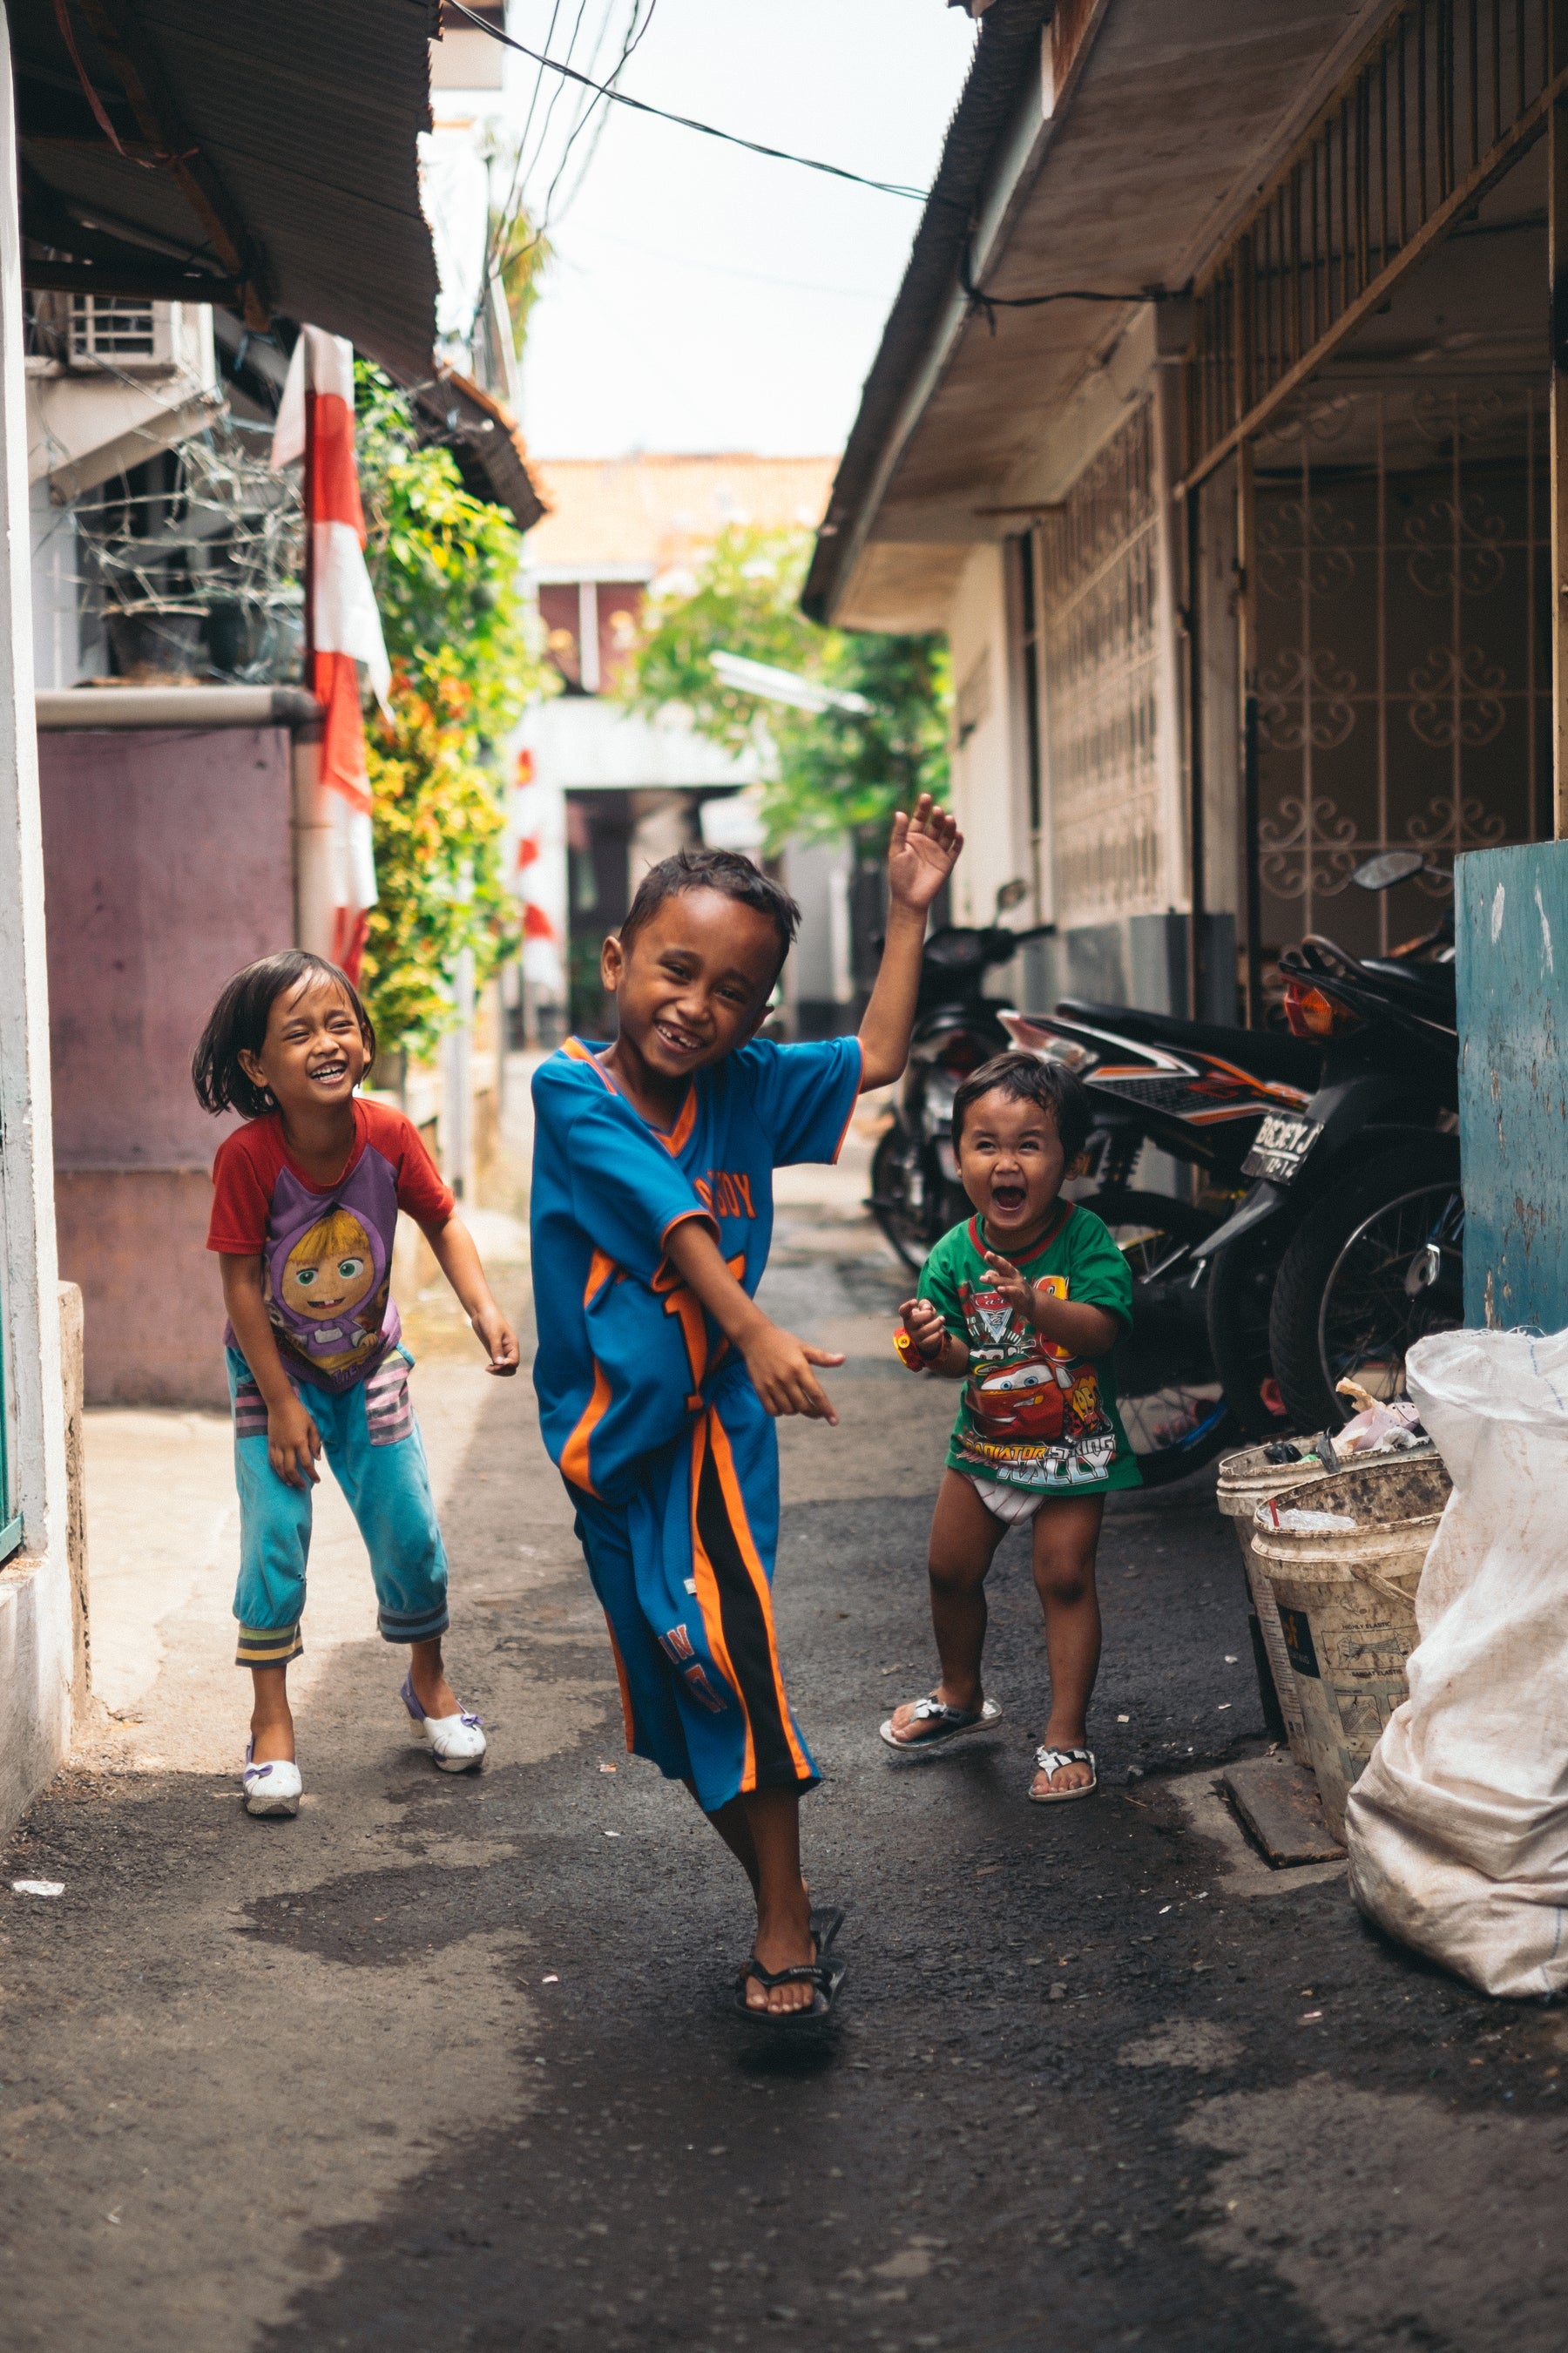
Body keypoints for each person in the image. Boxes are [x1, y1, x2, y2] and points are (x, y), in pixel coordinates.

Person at [531, 801, 962, 2020]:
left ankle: (782, 1931)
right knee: (677, 1700)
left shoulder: (752, 1084)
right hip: (603, 1452)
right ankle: (789, 1896)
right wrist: (751, 1320)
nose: (697, 1006)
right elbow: (664, 1207)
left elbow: (874, 1054)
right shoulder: (569, 1091)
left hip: (713, 1439)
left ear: (760, 1012)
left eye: (734, 990)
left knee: (725, 1663)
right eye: (677, 969)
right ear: (617, 961)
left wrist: (908, 913)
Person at [193, 950, 520, 1817]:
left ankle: (430, 1685)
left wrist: (484, 1308)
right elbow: (237, 1285)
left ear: (365, 1041)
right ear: (260, 1068)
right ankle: (270, 1725)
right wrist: (286, 1402)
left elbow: (442, 1219)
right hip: (273, 1369)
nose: (326, 1042)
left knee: (409, 1530)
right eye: (298, 1033)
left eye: (340, 1023)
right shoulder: (248, 1159)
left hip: (370, 1361)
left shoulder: (389, 1134)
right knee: (274, 1538)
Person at [882, 1051, 1138, 1802]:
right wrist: (930, 1341)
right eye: (985, 1143)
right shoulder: (954, 1253)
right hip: (985, 1446)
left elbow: (1099, 1331)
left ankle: (1065, 1737)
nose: (1006, 1161)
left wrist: (1037, 1307)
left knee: (1063, 1577)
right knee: (948, 1570)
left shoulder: (1087, 1240)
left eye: (1030, 1143)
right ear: (958, 1155)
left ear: (1071, 1160)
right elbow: (961, 1356)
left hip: (1071, 1449)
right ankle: (960, 1695)